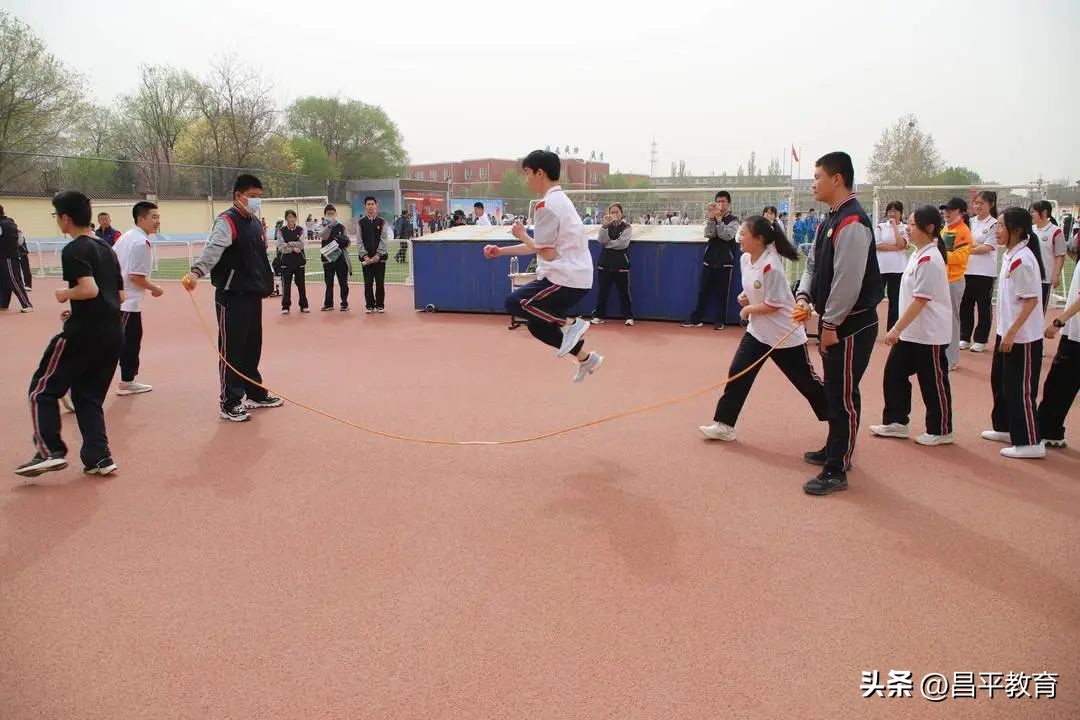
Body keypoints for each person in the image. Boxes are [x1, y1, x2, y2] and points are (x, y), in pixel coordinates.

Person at [15, 191, 124, 478]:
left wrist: (66, 293)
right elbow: (119, 295)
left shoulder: (75, 249)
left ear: (65, 218)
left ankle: (49, 450)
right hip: (112, 332)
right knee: (88, 396)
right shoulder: (107, 249)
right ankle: (99, 457)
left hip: (84, 333)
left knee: (41, 389)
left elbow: (89, 289)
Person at [792, 152, 882, 496]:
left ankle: (836, 469)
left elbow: (848, 281)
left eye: (817, 176)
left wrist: (830, 325)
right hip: (835, 322)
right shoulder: (829, 219)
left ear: (837, 178)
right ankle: (836, 449)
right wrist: (804, 296)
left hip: (851, 325)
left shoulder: (853, 222)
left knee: (842, 394)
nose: (813, 183)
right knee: (835, 390)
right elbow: (813, 265)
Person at [699, 216, 827, 442]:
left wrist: (748, 310)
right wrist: (745, 296)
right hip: (758, 333)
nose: (739, 238)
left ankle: (838, 418)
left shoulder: (772, 266)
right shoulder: (745, 259)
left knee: (807, 383)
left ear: (758, 239)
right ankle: (724, 425)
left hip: (784, 337)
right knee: (738, 373)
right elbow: (754, 288)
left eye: (744, 234)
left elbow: (774, 304)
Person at [483, 149, 603, 383]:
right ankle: (586, 359)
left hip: (565, 278)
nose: (525, 179)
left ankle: (570, 324)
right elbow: (541, 246)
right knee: (537, 326)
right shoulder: (561, 201)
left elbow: (546, 252)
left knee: (514, 302)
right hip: (575, 277)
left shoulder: (546, 205)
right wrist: (501, 251)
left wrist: (522, 234)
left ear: (540, 173)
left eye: (527, 173)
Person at [181, 174, 282, 423]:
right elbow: (213, 249)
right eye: (253, 196)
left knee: (252, 346)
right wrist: (196, 272)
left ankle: (254, 392)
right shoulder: (227, 221)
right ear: (239, 196)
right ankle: (230, 401)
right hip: (232, 295)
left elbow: (259, 257)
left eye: (259, 197)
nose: (257, 201)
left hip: (252, 293)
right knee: (233, 349)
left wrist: (267, 281)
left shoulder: (254, 222)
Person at [869, 205, 954, 445]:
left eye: (914, 224)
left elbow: (920, 300)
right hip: (912, 332)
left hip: (929, 333)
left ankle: (941, 429)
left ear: (930, 228)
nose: (908, 228)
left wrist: (896, 328)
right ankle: (896, 421)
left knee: (933, 382)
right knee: (894, 374)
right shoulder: (918, 254)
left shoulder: (930, 258)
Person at [981, 207, 1047, 459]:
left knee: (1020, 389)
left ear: (1017, 230)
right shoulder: (1011, 255)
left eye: (1000, 226)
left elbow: (1030, 301)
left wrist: (1011, 333)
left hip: (1022, 337)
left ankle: (1030, 442)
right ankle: (1006, 428)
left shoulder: (1022, 260)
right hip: (1006, 332)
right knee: (1001, 383)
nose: (996, 230)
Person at [112, 201, 164, 396]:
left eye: (158, 217)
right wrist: (155, 289)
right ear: (141, 219)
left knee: (129, 341)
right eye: (153, 217)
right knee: (122, 344)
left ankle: (128, 380)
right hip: (127, 301)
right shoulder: (141, 242)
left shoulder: (126, 237)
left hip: (122, 298)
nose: (157, 221)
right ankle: (78, 383)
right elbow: (135, 276)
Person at [1037, 235, 1079, 448]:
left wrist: (1058, 321)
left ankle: (1048, 430)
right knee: (1060, 383)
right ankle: (1050, 430)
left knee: (1059, 383)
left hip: (1076, 335)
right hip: (1074, 333)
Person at [682, 191, 739, 329]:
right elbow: (709, 233)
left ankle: (720, 321)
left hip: (725, 261)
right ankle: (696, 319)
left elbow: (727, 236)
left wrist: (719, 220)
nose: (720, 204)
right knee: (703, 291)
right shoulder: (711, 218)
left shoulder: (734, 220)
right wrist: (712, 218)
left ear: (728, 203)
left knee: (722, 293)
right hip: (710, 259)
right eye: (718, 201)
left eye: (723, 201)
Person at [958, 191, 999, 353]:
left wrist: (968, 247)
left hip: (985, 273)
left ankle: (981, 339)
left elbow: (988, 247)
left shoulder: (995, 224)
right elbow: (960, 241)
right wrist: (973, 245)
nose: (977, 206)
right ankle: (964, 336)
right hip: (966, 270)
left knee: (983, 307)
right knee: (965, 305)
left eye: (981, 203)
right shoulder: (969, 222)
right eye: (976, 203)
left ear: (991, 204)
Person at [939, 198, 973, 370]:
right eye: (945, 210)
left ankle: (951, 359)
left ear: (961, 212)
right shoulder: (946, 228)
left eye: (950, 210)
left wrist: (940, 253)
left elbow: (961, 257)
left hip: (953, 280)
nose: (946, 213)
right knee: (942, 319)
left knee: (952, 320)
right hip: (944, 279)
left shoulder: (963, 231)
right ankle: (943, 356)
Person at [590, 202, 633, 326]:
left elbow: (622, 244)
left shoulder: (627, 227)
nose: (614, 214)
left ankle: (628, 316)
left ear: (621, 213)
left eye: (617, 212)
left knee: (624, 292)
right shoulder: (606, 226)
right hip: (605, 264)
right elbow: (601, 240)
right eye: (612, 212)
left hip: (621, 265)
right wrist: (604, 226)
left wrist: (608, 244)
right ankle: (599, 316)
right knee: (603, 292)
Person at [875, 201, 909, 332]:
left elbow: (902, 244)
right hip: (882, 268)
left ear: (901, 213)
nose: (892, 214)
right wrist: (896, 248)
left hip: (898, 268)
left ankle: (892, 329)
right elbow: (877, 245)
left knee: (895, 300)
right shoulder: (880, 227)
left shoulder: (905, 228)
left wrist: (895, 226)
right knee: (875, 298)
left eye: (895, 211)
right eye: (890, 211)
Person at [1030, 200, 1066, 310]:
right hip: (1029, 276)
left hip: (1044, 278)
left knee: (1039, 309)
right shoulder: (1031, 230)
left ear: (1044, 213)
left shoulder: (1056, 231)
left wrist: (1056, 274)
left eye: (1033, 212)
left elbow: (1060, 255)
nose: (1030, 215)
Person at [357, 196, 391, 313]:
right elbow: (359, 240)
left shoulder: (382, 221)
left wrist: (378, 255)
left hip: (379, 259)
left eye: (372, 204)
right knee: (368, 283)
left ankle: (380, 305)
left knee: (380, 282)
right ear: (365, 206)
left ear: (376, 205)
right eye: (368, 204)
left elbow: (384, 239)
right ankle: (369, 305)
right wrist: (365, 256)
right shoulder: (361, 222)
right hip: (366, 259)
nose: (370, 206)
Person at [1, 204, 32, 313]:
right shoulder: (10, 223)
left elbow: (18, 240)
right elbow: (19, 240)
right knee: (3, 281)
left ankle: (27, 304)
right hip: (7, 256)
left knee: (13, 280)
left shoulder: (4, 225)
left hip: (8, 257)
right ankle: (3, 303)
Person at [319, 203, 351, 312]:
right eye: (329, 214)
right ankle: (328, 304)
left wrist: (343, 241)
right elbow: (323, 236)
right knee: (329, 283)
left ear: (336, 213)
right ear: (325, 215)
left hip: (340, 258)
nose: (331, 215)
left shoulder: (342, 227)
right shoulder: (322, 226)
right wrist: (330, 225)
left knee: (343, 282)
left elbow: (348, 242)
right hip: (327, 258)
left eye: (333, 213)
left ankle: (344, 303)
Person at [277, 209, 308, 314]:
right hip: (286, 262)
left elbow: (301, 244)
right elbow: (281, 247)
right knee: (286, 286)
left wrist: (289, 244)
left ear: (295, 218)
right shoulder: (281, 231)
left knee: (301, 285)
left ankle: (304, 305)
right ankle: (285, 306)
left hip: (299, 262)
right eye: (289, 217)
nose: (291, 219)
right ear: (286, 218)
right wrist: (293, 248)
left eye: (293, 217)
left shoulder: (300, 230)